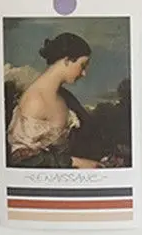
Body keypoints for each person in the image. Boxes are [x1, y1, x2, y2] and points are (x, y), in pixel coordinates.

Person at [6, 32, 101, 168]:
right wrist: (76, 162)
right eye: (83, 65)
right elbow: (20, 158)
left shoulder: (64, 96)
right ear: (67, 60)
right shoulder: (35, 101)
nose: (84, 73)